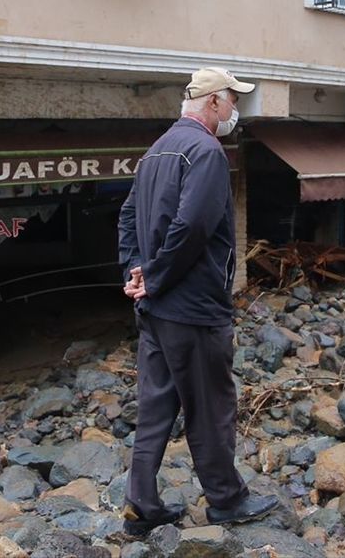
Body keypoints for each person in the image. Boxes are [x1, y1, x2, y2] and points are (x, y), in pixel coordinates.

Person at [117, 67, 279, 538]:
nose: (235, 110)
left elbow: (127, 217)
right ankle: (227, 501)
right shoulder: (206, 151)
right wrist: (156, 277)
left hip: (155, 311)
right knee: (210, 406)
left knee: (155, 407)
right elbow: (193, 227)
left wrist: (135, 272)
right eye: (232, 101)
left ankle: (140, 504)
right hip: (192, 310)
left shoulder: (156, 151)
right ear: (212, 102)